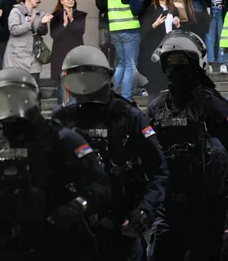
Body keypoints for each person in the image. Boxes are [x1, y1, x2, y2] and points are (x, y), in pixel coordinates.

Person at [0, 67, 112, 261]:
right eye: (3, 99)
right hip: (7, 247)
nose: (9, 105)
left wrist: (78, 205)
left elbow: (100, 184)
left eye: (15, 98)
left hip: (56, 244)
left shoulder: (62, 140)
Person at [52, 46, 169, 261]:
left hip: (120, 228)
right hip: (73, 231)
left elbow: (159, 171)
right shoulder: (61, 117)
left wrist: (144, 212)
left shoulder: (127, 116)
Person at [146, 31, 228, 260]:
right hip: (169, 209)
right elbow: (145, 160)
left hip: (210, 209)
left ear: (197, 63)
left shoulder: (213, 105)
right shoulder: (157, 108)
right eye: (170, 62)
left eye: (182, 62)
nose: (176, 68)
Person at [109, 0, 150, 100]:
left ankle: (110, 92)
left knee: (122, 63)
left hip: (115, 30)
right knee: (130, 65)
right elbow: (136, 10)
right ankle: (126, 97)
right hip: (129, 30)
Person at [138, 0, 180, 95]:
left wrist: (177, 23)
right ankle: (155, 89)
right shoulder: (152, 8)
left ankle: (168, 86)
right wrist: (155, 24)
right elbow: (144, 28)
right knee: (156, 66)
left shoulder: (172, 8)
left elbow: (178, 24)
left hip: (170, 42)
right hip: (155, 42)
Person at [4, 0, 52, 84]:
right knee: (18, 89)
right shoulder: (16, 11)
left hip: (34, 56)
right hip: (17, 58)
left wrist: (43, 24)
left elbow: (42, 32)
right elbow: (13, 29)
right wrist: (29, 24)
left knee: (33, 88)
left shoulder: (39, 13)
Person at [50, 0, 87, 104]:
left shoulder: (80, 15)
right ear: (61, 1)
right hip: (60, 53)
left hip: (75, 52)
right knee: (62, 83)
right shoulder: (55, 16)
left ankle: (75, 110)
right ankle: (63, 110)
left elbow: (81, 31)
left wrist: (71, 20)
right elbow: (54, 35)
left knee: (76, 82)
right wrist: (64, 24)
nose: (71, 0)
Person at [95, 0, 117, 66]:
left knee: (113, 45)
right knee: (104, 44)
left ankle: (111, 64)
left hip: (115, 20)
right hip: (105, 20)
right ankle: (104, 64)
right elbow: (100, 5)